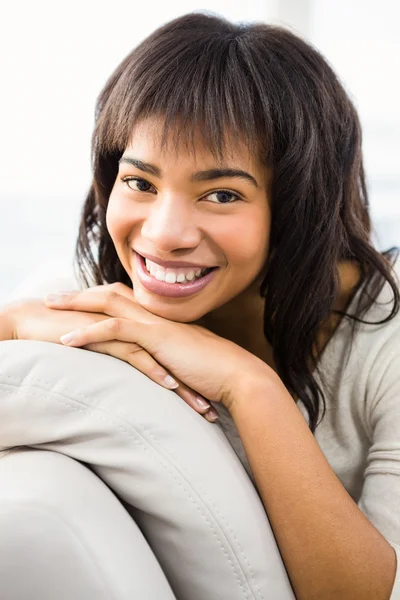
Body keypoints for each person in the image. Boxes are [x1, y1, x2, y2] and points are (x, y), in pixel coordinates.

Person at [2, 10, 400, 599]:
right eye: (139, 182)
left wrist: (249, 383)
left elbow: (359, 594)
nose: (164, 235)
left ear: (297, 206)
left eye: (221, 194)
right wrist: (15, 320)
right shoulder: (97, 297)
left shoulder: (382, 341)